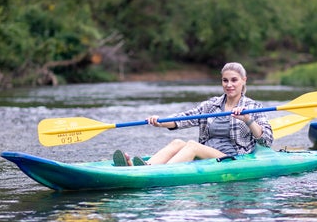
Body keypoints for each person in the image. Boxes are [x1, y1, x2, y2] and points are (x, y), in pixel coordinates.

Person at [113, 62, 273, 166]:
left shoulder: (253, 106)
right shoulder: (211, 105)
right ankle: (143, 168)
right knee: (177, 142)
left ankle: (154, 172)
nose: (229, 85)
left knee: (192, 146)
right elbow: (182, 120)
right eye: (225, 80)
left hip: (233, 158)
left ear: (244, 80)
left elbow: (266, 140)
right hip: (207, 153)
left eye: (234, 80)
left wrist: (248, 119)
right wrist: (159, 121)